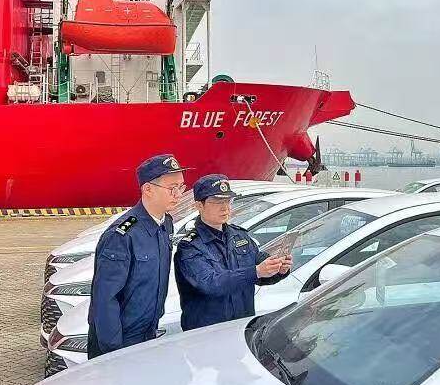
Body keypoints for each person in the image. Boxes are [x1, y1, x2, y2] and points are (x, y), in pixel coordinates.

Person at [87, 153, 188, 359]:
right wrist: (114, 352)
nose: (178, 194)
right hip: (120, 341)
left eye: (181, 187)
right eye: (172, 188)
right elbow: (105, 298)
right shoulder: (122, 235)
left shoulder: (165, 224)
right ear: (148, 189)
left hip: (147, 333)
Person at [175, 174, 292, 331]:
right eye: (217, 202)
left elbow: (259, 267)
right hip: (207, 333)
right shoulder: (190, 247)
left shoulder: (239, 236)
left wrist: (278, 269)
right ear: (199, 205)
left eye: (228, 201)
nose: (225, 207)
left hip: (241, 328)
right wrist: (256, 271)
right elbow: (211, 284)